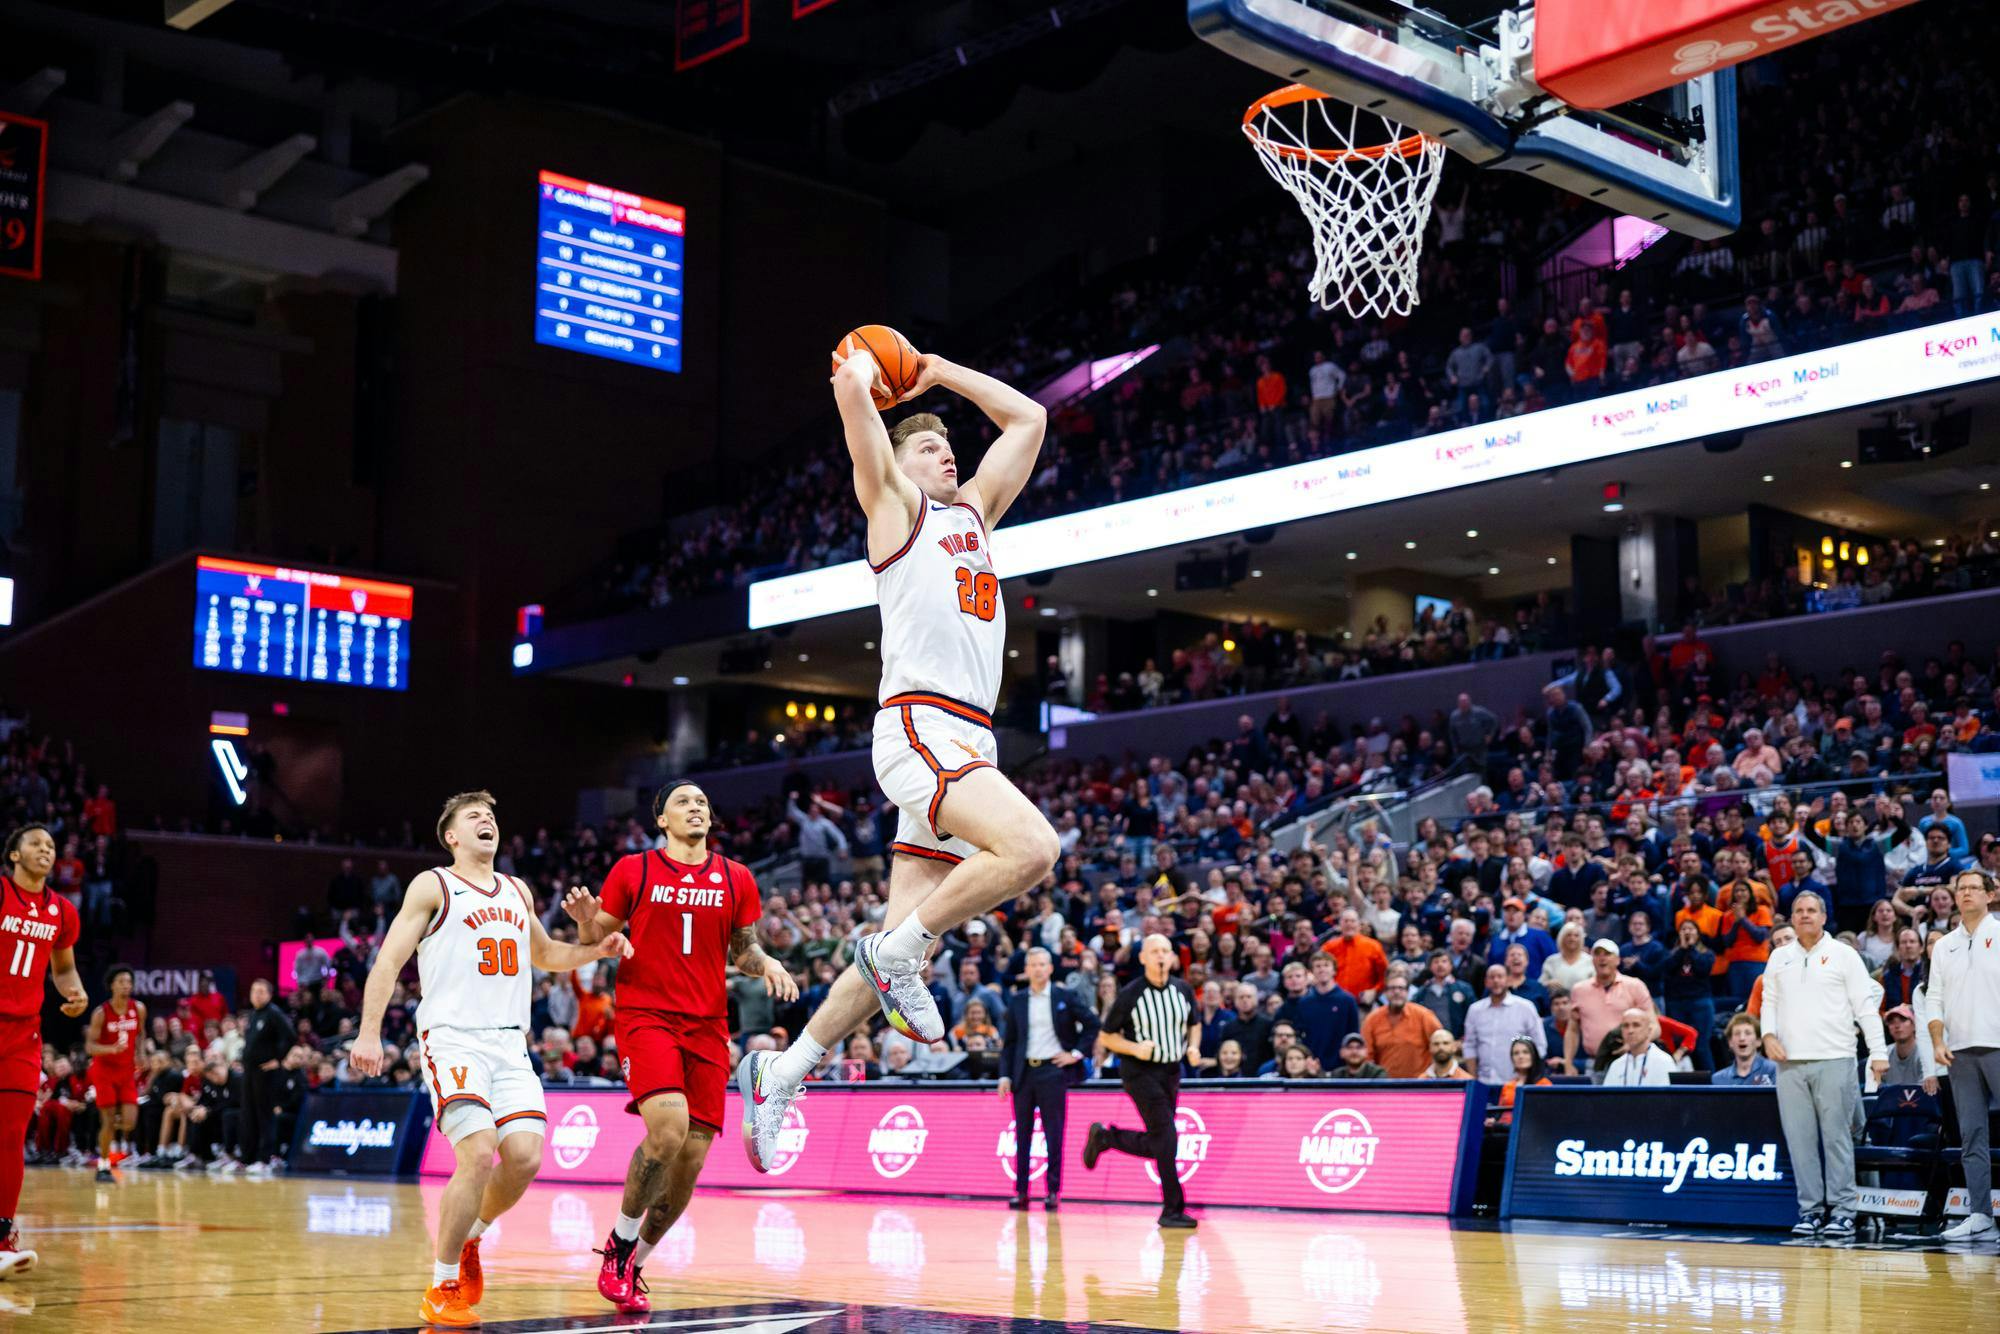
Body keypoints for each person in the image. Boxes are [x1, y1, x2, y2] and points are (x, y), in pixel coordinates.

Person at [737, 339, 1056, 1166]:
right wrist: (860, 371)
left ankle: (781, 1072)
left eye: (949, 446)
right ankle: (898, 956)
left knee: (901, 937)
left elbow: (1029, 418)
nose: (945, 453)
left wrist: (941, 372)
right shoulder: (894, 508)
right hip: (921, 726)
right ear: (899, 462)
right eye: (927, 446)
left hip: (970, 737)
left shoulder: (975, 513)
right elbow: (853, 398)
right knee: (1033, 849)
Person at [351, 791, 635, 1328]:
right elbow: (388, 961)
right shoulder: (433, 885)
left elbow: (545, 954)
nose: (487, 821)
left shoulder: (516, 889)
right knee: (479, 1152)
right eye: (473, 816)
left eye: (491, 816)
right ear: (452, 836)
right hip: (453, 1038)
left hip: (509, 1043)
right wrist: (369, 1033)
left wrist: (595, 950)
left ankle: (471, 1237)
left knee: (525, 1158)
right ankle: (441, 1287)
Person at [564, 781, 795, 1312]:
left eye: (702, 803)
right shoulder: (634, 870)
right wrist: (585, 921)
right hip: (647, 1017)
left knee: (689, 1164)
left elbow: (744, 950)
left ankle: (635, 1264)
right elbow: (596, 938)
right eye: (683, 803)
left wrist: (768, 963)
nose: (696, 808)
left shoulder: (736, 877)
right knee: (667, 1130)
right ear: (661, 820)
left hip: (708, 1026)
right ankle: (619, 1243)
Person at [1761, 890, 1887, 1240]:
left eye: (1811, 910)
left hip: (1835, 1058)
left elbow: (1865, 1007)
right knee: (1800, 1142)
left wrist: (1878, 1052)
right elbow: (1769, 1001)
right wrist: (1767, 1035)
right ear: (1791, 917)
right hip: (1790, 1064)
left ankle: (1844, 1211)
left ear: (1823, 916)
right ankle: (1811, 1211)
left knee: (1837, 1140)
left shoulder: (1844, 955)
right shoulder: (1779, 957)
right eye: (1799, 910)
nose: (1805, 915)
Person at [0, 826, 88, 1277]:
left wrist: (75, 992)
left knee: (12, 1135)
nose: (46, 850)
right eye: (35, 843)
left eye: (51, 846)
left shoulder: (61, 911)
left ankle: (1, 1236)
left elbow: (64, 967)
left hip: (23, 1034)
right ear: (14, 854)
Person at [1082, 935, 1199, 1229]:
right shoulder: (1131, 993)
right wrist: (1135, 1048)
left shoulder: (1183, 989)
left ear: (1172, 957)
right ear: (1143, 957)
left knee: (1162, 1141)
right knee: (1167, 1137)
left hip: (1171, 1071)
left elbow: (1194, 1024)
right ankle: (1172, 1209)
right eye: (1154, 951)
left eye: (1165, 951)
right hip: (1139, 1072)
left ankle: (1107, 1138)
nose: (1160, 956)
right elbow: (1106, 1037)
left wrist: (1194, 1047)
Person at [1924, 868, 2000, 1241]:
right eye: (1961, 888)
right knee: (1971, 1136)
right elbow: (1933, 997)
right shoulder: (1943, 946)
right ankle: (1981, 1215)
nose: (1967, 893)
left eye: (1974, 887)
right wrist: (1938, 1041)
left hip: (1997, 1045)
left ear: (1991, 894)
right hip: (1959, 1051)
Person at [998, 947, 1098, 1211]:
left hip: (1053, 1072)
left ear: (1051, 968)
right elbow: (1010, 1043)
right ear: (1026, 969)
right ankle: (1021, 1192)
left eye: (1043, 964)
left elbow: (1092, 1024)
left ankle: (1053, 1191)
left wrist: (1075, 1054)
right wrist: (1005, 1075)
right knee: (1022, 1134)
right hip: (1023, 1074)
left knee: (1054, 1134)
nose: (1039, 969)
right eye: (1034, 965)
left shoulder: (1065, 996)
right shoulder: (1018, 1000)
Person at [82, 963, 145, 1181]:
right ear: (111, 985)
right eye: (121, 981)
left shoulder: (139, 1009)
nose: (126, 985)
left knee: (129, 1122)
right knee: (108, 1121)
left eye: (129, 982)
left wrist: (141, 1053)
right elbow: (90, 1046)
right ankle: (103, 1164)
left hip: (126, 1072)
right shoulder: (101, 1013)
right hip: (104, 1072)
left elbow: (141, 1033)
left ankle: (105, 1129)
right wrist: (111, 1049)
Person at [1565, 939, 1655, 1074]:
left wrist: (1634, 1044)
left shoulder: (1635, 986)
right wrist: (1568, 1062)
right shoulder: (1579, 990)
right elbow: (1572, 1030)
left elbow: (1654, 1026)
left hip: (1630, 1059)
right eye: (1597, 954)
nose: (1602, 958)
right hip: (1595, 1063)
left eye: (1607, 954)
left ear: (1618, 960)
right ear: (1592, 960)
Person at [1462, 964, 1544, 1085]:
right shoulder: (1475, 1010)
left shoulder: (1526, 1007)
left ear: (1509, 980)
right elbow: (1469, 1046)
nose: (1496, 981)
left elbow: (1539, 1045)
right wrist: (1474, 1080)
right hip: (1484, 1081)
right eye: (1492, 977)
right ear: (1486, 982)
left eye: (1500, 976)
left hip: (1517, 1083)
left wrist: (1528, 1078)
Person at [1361, 975, 1442, 1078]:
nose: (1397, 992)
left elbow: (1442, 1047)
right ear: (1385, 993)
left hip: (1420, 1083)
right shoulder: (1372, 1020)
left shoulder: (1424, 1016)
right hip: (1384, 1084)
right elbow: (1366, 1056)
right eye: (1392, 988)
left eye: (1401, 988)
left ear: (1408, 992)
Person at [1601, 1009, 1672, 1086]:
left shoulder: (1663, 1061)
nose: (1630, 1031)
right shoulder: (1616, 1065)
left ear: (1649, 1031)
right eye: (1626, 1026)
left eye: (1636, 1025)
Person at [1710, 1012, 1778, 1086]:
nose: (1742, 1038)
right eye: (1737, 1034)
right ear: (1730, 1042)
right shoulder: (1718, 1079)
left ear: (1758, 1041)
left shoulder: (1774, 1070)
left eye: (1748, 1033)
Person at [1493, 1039, 1551, 1125]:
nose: (1520, 1056)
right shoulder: (1508, 1085)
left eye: (1525, 1052)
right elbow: (1499, 1114)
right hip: (1503, 1129)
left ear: (1534, 1056)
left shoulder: (1544, 1084)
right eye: (1516, 1053)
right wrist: (1494, 1122)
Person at [1880, 1005, 1928, 1088]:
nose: (1897, 1026)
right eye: (1891, 1022)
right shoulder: (1883, 1054)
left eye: (1903, 1020)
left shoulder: (1926, 1053)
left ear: (1914, 1025)